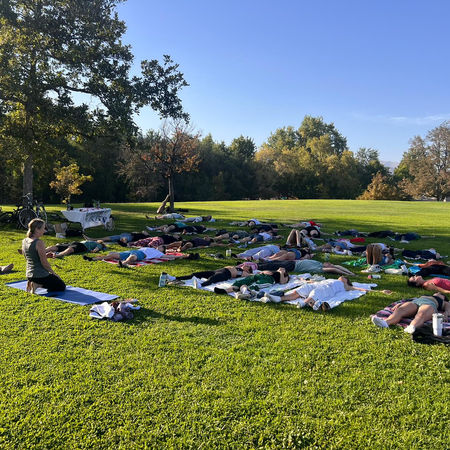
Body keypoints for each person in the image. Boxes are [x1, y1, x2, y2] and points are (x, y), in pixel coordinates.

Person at [263, 276, 366, 310]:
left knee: (315, 293)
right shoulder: (332, 279)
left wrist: (372, 290)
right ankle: (280, 299)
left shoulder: (345, 285)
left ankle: (304, 303)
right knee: (302, 289)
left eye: (343, 277)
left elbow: (357, 288)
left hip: (328, 288)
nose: (341, 277)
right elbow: (313, 282)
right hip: (318, 284)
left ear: (347, 281)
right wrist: (305, 280)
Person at [22, 218, 66, 293]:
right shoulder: (39, 243)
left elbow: (29, 257)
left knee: (54, 282)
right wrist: (54, 273)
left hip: (29, 275)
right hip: (40, 276)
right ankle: (37, 285)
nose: (44, 231)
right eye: (43, 228)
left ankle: (33, 282)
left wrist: (45, 255)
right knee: (61, 286)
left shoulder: (25, 241)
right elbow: (44, 263)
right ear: (37, 229)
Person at [371, 293, 450, 334]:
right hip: (415, 302)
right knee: (400, 310)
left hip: (429, 304)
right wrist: (401, 303)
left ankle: (412, 327)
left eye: (439, 293)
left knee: (421, 315)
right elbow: (410, 300)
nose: (437, 293)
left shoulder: (442, 301)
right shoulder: (425, 296)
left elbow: (448, 308)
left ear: (443, 297)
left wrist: (446, 314)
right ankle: (386, 322)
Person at [168, 265, 254, 287]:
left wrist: (252, 273)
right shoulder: (237, 267)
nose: (245, 265)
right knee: (196, 274)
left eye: (247, 266)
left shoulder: (244, 273)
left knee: (212, 279)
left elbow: (251, 275)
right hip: (217, 270)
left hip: (226, 274)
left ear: (248, 269)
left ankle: (200, 285)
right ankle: (175, 278)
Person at [257, 259, 355, 276]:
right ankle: (257, 264)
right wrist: (351, 272)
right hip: (292, 262)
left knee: (270, 266)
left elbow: (334, 268)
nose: (329, 263)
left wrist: (349, 274)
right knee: (273, 262)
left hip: (291, 266)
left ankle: (255, 266)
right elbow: (338, 266)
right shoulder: (319, 263)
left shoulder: (319, 269)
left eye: (329, 264)